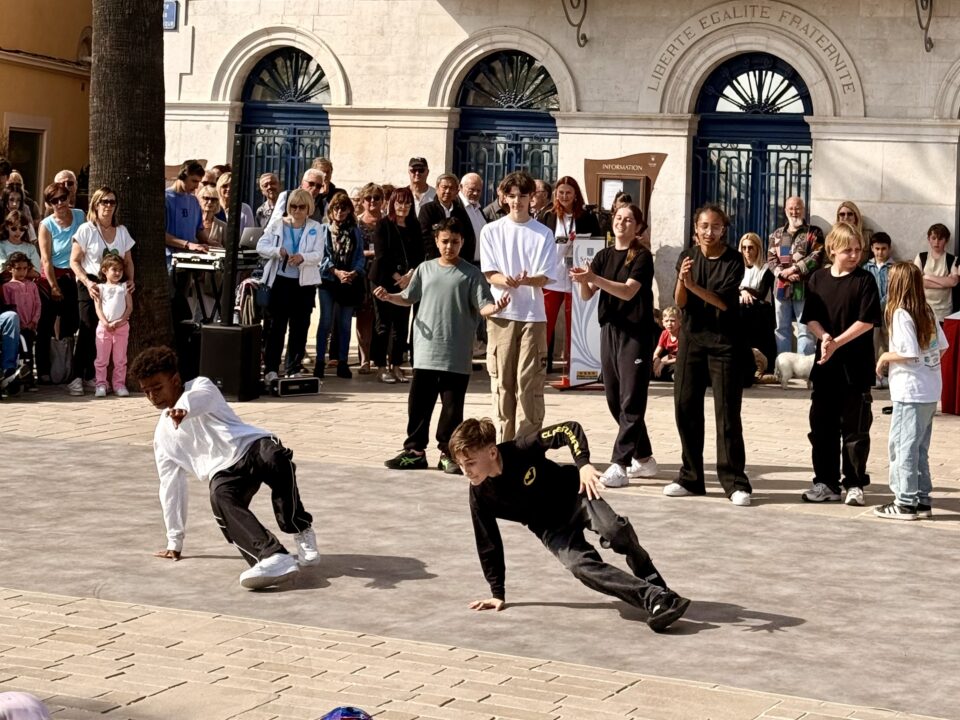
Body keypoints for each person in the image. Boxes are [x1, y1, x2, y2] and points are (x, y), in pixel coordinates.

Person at [450, 417, 690, 632]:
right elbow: (488, 541)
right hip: (550, 528)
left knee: (615, 531)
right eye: (461, 465)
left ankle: (646, 570)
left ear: (492, 452)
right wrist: (497, 592)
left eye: (470, 463)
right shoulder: (479, 496)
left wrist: (583, 464)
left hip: (576, 496)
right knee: (580, 567)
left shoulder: (520, 448)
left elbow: (568, 429)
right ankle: (655, 599)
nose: (465, 471)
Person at [131, 345, 321, 589]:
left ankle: (299, 527)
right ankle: (272, 556)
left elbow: (198, 400)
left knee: (276, 458)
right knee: (219, 497)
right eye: (146, 391)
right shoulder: (163, 437)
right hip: (224, 472)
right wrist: (174, 540)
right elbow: (170, 486)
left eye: (157, 388)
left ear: (175, 380)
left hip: (251, 446)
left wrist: (184, 410)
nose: (152, 396)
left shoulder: (201, 386)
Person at [377, 218, 509, 473]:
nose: (450, 246)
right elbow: (408, 297)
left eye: (455, 242)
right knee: (419, 405)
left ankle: (448, 453)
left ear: (462, 242)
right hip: (426, 351)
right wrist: (389, 297)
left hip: (456, 353)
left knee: (452, 408)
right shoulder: (424, 269)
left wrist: (495, 308)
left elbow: (483, 306)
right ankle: (414, 451)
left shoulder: (471, 273)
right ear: (437, 242)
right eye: (445, 241)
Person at [664, 204, 752, 506]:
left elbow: (723, 302)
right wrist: (682, 280)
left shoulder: (733, 260)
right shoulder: (687, 257)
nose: (709, 232)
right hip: (692, 340)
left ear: (723, 229)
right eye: (704, 226)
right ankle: (691, 477)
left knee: (727, 413)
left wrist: (692, 284)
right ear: (696, 228)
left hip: (725, 343)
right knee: (685, 406)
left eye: (715, 226)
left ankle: (734, 482)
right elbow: (680, 301)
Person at [570, 204, 657, 487]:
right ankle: (644, 457)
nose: (621, 222)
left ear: (638, 227)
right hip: (609, 330)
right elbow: (587, 295)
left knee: (632, 398)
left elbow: (628, 291)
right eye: (618, 218)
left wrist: (594, 278)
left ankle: (620, 463)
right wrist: (583, 280)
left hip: (636, 333)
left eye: (628, 220)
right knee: (614, 398)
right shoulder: (603, 255)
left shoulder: (642, 256)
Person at [800, 222, 882, 506]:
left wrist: (837, 342)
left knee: (855, 431)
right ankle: (826, 482)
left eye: (858, 250)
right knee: (821, 429)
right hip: (825, 367)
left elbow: (867, 321)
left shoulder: (864, 280)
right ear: (833, 249)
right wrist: (824, 336)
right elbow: (810, 317)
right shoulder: (817, 279)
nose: (855, 255)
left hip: (855, 369)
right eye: (848, 250)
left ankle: (855, 484)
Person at [479, 171, 557, 441]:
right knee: (502, 381)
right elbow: (489, 272)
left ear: (531, 197)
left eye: (522, 196)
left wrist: (526, 280)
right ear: (504, 197)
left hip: (533, 315)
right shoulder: (491, 230)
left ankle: (527, 444)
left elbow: (545, 276)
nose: (517, 201)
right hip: (502, 314)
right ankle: (504, 443)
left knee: (529, 382)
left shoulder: (543, 233)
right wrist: (506, 280)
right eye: (512, 196)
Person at [874, 263, 948, 520]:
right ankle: (922, 500)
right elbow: (942, 347)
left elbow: (908, 352)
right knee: (919, 448)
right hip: (930, 389)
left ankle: (904, 502)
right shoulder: (926, 310)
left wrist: (884, 357)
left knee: (902, 447)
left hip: (910, 391)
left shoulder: (901, 313)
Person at [69, 187, 136, 396]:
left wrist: (131, 281)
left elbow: (128, 261)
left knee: (109, 331)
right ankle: (76, 376)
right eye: (104, 201)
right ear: (96, 205)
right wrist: (87, 283)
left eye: (112, 202)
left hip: (114, 286)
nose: (108, 206)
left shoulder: (122, 231)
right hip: (91, 282)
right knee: (88, 328)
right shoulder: (86, 229)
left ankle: (93, 376)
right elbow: (74, 261)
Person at [257, 188, 323, 383]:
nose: (297, 210)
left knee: (300, 327)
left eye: (301, 207)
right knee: (276, 327)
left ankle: (293, 367)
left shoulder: (315, 227)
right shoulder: (278, 224)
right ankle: (271, 368)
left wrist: (303, 257)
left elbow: (318, 254)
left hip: (303, 284)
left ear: (309, 208)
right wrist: (278, 251)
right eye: (293, 206)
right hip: (280, 281)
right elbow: (261, 246)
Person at [537, 176, 601, 366]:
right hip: (552, 277)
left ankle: (574, 365)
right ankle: (542, 364)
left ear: (575, 195)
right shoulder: (547, 216)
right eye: (561, 192)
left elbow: (596, 245)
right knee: (546, 322)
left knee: (575, 323)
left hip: (577, 278)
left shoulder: (587, 217)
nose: (564, 196)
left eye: (568, 193)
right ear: (556, 194)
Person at [36, 182, 85, 390]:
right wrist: (53, 286)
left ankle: (66, 369)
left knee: (71, 324)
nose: (59, 203)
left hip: (74, 276)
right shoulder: (46, 225)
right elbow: (46, 259)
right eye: (54, 200)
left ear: (68, 197)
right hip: (52, 276)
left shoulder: (80, 216)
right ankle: (44, 370)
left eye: (62, 198)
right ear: (49, 204)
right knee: (46, 325)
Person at [371, 187, 421, 384]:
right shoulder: (383, 224)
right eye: (400, 202)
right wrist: (397, 276)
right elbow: (381, 255)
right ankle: (381, 367)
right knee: (383, 323)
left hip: (407, 280)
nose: (404, 207)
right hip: (384, 279)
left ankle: (396, 365)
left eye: (408, 203)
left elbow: (419, 253)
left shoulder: (414, 225)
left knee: (401, 325)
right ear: (392, 204)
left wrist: (410, 275)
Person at [766, 196, 824, 356]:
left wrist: (794, 269)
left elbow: (817, 256)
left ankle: (804, 366)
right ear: (785, 210)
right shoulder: (777, 234)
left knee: (805, 328)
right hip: (781, 287)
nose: (794, 211)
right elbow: (771, 259)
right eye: (791, 208)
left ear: (804, 210)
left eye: (797, 208)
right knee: (781, 328)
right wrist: (782, 274)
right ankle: (783, 364)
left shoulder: (813, 232)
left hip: (804, 288)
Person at [316, 192, 365, 379]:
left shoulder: (354, 231)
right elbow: (321, 255)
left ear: (349, 210)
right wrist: (335, 272)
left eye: (343, 208)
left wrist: (354, 272)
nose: (339, 212)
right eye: (336, 208)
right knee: (326, 321)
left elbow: (360, 255)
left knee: (345, 324)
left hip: (349, 281)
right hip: (328, 280)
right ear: (331, 211)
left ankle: (342, 362)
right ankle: (320, 361)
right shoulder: (324, 230)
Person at [92, 254, 133, 398]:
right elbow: (98, 308)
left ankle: (119, 384)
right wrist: (105, 322)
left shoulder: (124, 287)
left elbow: (129, 307)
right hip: (104, 328)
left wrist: (120, 321)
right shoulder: (100, 288)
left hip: (121, 328)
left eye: (120, 270)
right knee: (101, 359)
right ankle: (101, 384)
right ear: (104, 270)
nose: (118, 273)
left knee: (120, 359)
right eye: (114, 270)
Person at [355, 182, 384, 374]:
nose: (372, 201)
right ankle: (364, 359)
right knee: (364, 316)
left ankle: (381, 358)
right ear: (362, 201)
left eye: (376, 198)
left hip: (383, 274)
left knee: (382, 317)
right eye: (368, 198)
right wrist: (369, 254)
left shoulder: (388, 221)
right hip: (363, 274)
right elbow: (353, 250)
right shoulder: (356, 223)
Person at [2, 252, 40, 389]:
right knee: (18, 351)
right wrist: (20, 324)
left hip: (30, 325)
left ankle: (29, 380)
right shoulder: (7, 287)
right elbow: (8, 307)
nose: (22, 272)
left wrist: (34, 321)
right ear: (10, 269)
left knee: (29, 351)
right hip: (17, 326)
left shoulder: (32, 285)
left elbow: (38, 304)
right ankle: (13, 377)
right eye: (18, 268)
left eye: (25, 268)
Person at [738, 232, 776, 371]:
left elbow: (761, 293)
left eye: (750, 248)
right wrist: (742, 291)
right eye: (744, 248)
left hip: (759, 312)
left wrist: (743, 289)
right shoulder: (737, 268)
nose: (747, 251)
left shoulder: (766, 269)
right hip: (741, 310)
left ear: (758, 249)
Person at [419, 174, 476, 264]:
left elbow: (468, 236)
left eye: (451, 188)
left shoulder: (460, 211)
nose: (447, 191)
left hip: (458, 263)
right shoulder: (427, 209)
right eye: (444, 187)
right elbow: (424, 237)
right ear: (437, 189)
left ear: (457, 191)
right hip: (434, 262)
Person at [164, 160, 210, 267]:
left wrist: (211, 243)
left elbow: (199, 231)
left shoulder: (194, 201)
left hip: (191, 261)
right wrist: (187, 244)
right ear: (182, 176)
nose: (197, 186)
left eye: (199, 182)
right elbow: (159, 234)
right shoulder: (165, 199)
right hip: (171, 262)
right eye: (194, 181)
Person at [914, 223, 959, 323]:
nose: (936, 242)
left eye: (940, 239)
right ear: (929, 239)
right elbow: (917, 282)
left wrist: (927, 276)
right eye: (933, 238)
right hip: (924, 309)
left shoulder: (952, 259)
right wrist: (945, 283)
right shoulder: (921, 257)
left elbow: (954, 282)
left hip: (944, 311)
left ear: (946, 240)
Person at [863, 231, 893, 373]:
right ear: (872, 248)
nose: (880, 252)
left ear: (889, 248)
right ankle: (874, 373)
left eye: (883, 248)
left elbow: (893, 290)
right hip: (871, 312)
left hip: (889, 312)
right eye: (877, 248)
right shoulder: (866, 267)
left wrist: (882, 303)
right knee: (872, 343)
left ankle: (889, 371)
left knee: (889, 342)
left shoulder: (894, 268)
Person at [0, 210, 41, 274]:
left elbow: (36, 273)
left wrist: (14, 271)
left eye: (22, 229)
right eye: (14, 229)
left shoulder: (31, 248)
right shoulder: (1, 246)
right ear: (7, 227)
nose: (18, 232)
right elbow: (2, 271)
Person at [459, 172, 487, 264]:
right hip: (463, 264)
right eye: (471, 189)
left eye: (478, 191)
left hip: (480, 264)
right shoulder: (456, 207)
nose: (475, 193)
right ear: (461, 187)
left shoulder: (478, 207)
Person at [652, 306, 680, 381]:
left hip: (679, 361)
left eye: (672, 320)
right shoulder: (664, 333)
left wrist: (664, 362)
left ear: (679, 321)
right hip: (669, 360)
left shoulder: (682, 334)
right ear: (663, 323)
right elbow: (656, 353)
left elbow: (681, 357)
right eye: (666, 321)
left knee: (678, 369)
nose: (669, 323)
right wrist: (656, 359)